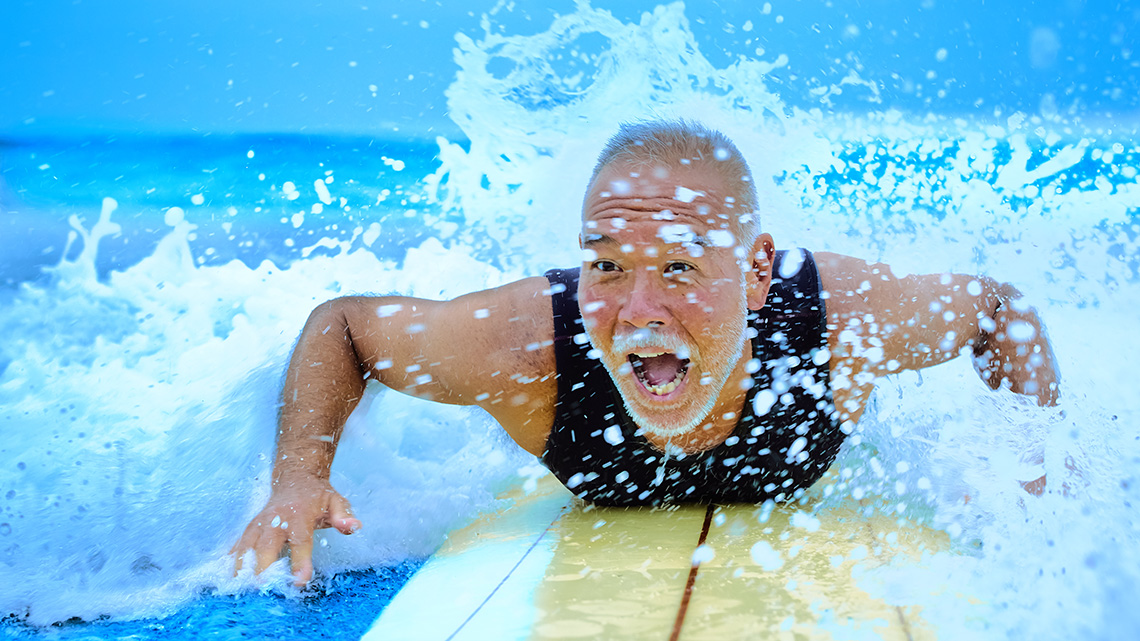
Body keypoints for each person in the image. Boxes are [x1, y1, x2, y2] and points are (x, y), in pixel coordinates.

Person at [230, 120, 1059, 586]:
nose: (636, 311)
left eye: (678, 267)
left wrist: (1029, 475)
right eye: (607, 265)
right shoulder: (529, 350)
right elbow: (344, 326)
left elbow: (998, 309)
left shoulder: (839, 326)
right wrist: (298, 476)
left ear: (757, 270)